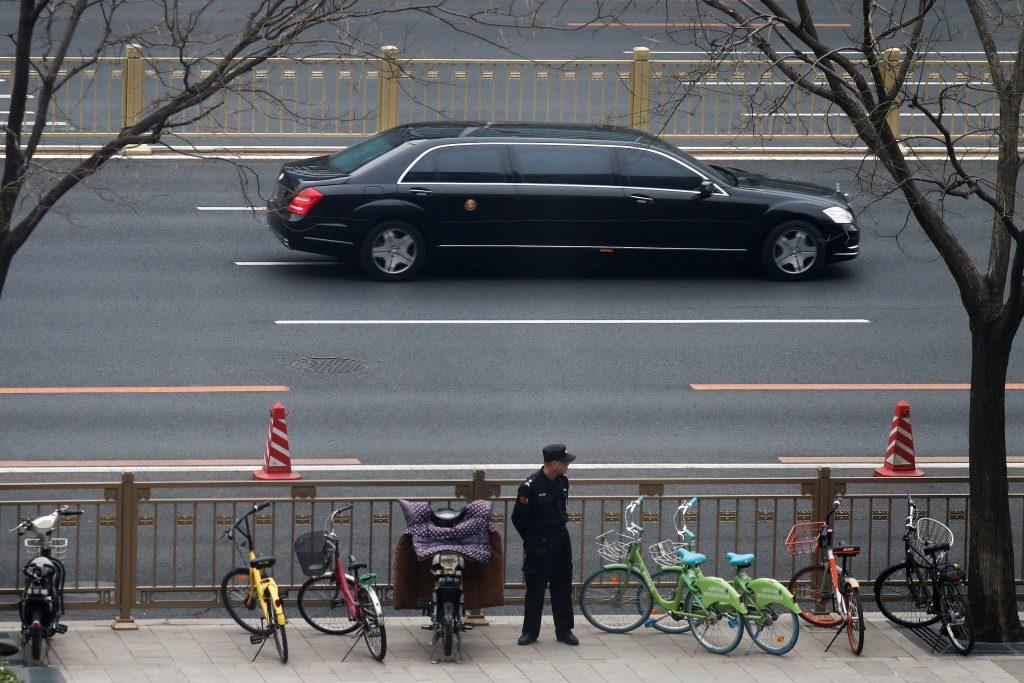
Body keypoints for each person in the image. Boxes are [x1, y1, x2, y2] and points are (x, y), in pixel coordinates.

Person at [511, 443, 578, 646]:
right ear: (554, 463)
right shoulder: (530, 486)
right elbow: (518, 518)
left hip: (560, 538)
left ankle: (564, 630)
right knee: (536, 588)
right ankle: (530, 632)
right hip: (539, 542)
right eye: (565, 462)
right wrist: (531, 540)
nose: (568, 465)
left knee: (562, 587)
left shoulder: (562, 482)